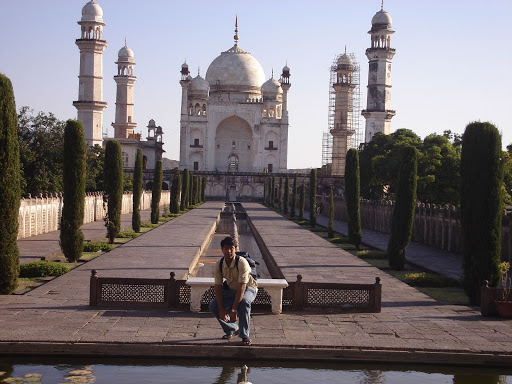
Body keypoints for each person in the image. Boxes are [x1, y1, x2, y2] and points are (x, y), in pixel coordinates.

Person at [209, 236, 257, 345]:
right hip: (231, 289)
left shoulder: (242, 262)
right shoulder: (219, 264)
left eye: (231, 248)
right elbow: (218, 287)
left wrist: (234, 310)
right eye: (226, 248)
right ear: (222, 249)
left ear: (235, 249)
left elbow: (242, 287)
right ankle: (231, 328)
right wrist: (221, 309)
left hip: (248, 288)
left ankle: (245, 335)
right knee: (213, 305)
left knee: (244, 302)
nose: (228, 251)